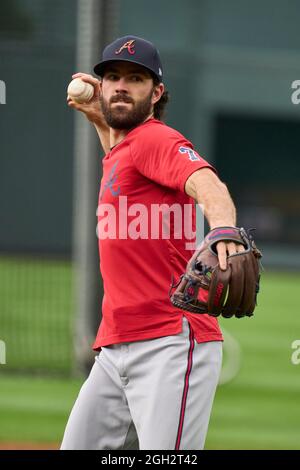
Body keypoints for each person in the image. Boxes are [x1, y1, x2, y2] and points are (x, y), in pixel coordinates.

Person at [62, 35, 244, 450]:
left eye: (135, 78)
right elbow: (123, 167)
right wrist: (98, 120)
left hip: (170, 342)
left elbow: (207, 184)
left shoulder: (155, 140)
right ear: (101, 85)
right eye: (112, 77)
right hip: (114, 346)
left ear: (157, 91)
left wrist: (223, 231)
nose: (121, 86)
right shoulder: (124, 149)